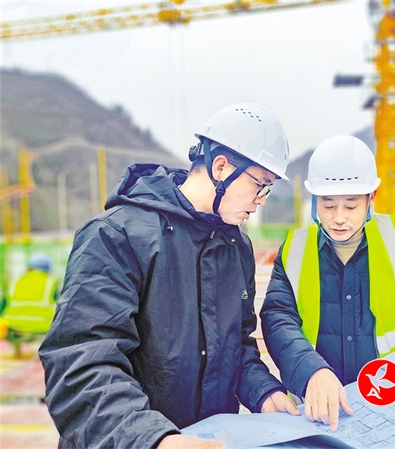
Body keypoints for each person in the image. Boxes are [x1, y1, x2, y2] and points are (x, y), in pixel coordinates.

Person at [39, 103, 300, 449]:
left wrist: (265, 393)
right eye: (260, 185)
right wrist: (155, 439)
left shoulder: (235, 247)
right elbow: (81, 365)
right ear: (221, 168)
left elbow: (235, 347)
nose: (262, 200)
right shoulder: (117, 236)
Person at [260, 135, 395, 432]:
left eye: (351, 205)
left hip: (390, 409)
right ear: (314, 201)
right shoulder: (294, 251)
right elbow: (278, 321)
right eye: (329, 205)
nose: (339, 218)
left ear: (371, 198)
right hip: (315, 414)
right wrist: (311, 371)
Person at [3, 254, 59, 358]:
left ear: (29, 268)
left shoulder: (16, 281)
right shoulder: (51, 282)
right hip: (42, 326)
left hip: (14, 326)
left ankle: (17, 349)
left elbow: (3, 305)